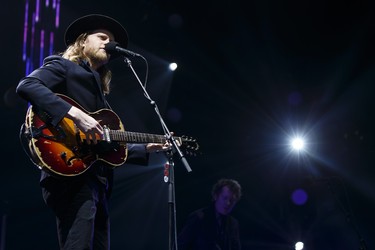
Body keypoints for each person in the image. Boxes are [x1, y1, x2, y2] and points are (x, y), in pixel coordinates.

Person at [16, 14, 170, 250]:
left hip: (97, 180)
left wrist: (146, 147)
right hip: (69, 172)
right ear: (82, 41)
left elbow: (102, 142)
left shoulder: (100, 92)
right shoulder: (63, 66)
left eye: (111, 40)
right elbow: (27, 85)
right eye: (102, 37)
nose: (108, 43)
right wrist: (75, 114)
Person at [177, 178, 242, 250]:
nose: (228, 203)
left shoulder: (233, 224)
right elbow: (180, 245)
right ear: (215, 196)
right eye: (225, 198)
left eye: (232, 200)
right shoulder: (198, 217)